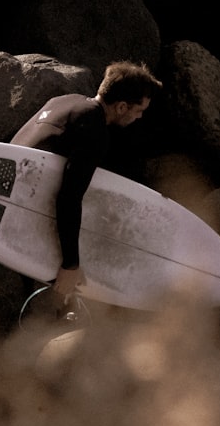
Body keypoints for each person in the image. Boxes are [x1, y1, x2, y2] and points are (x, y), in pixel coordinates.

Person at [11, 60, 162, 304]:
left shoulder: (65, 101)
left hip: (10, 185)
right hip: (19, 211)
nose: (140, 117)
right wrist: (70, 264)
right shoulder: (94, 130)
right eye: (139, 110)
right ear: (122, 106)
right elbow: (69, 197)